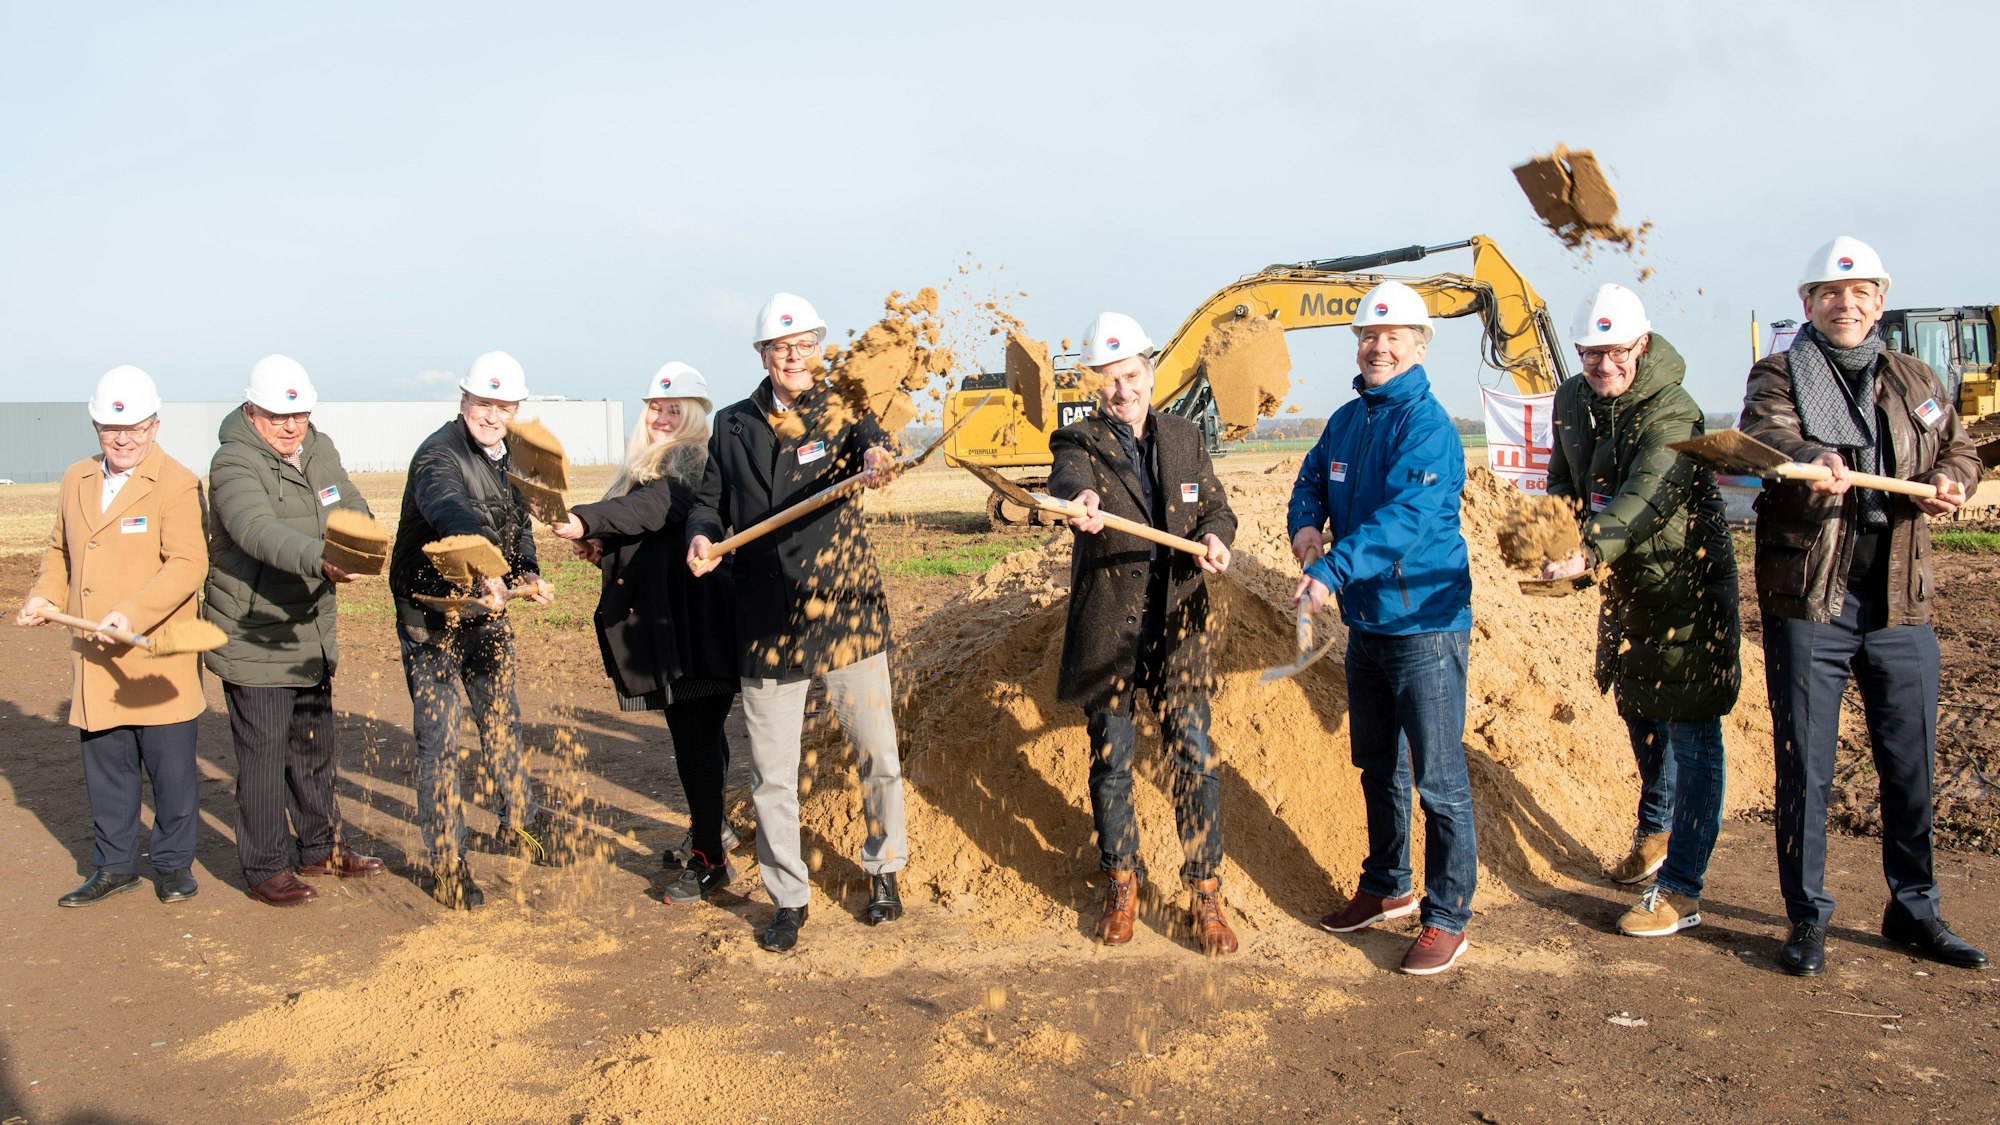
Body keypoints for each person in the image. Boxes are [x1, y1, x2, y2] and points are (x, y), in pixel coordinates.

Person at [1740, 236, 1986, 976]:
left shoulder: (1915, 376)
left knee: (1908, 764)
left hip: (1899, 602)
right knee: (1807, 766)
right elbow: (1763, 432)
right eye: (1830, 295)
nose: (1845, 305)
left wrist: (1955, 481)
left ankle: (1915, 909)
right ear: (1807, 303)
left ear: (1879, 301)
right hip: (1815, 597)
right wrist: (1813, 458)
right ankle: (1807, 915)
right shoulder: (1779, 372)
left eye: (1859, 294)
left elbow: (1961, 448)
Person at [686, 293, 907, 954]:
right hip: (766, 618)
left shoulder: (846, 403)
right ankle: (788, 895)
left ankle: (885, 870)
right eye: (780, 346)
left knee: (877, 752)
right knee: (772, 771)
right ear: (762, 355)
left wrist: (878, 463)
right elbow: (707, 502)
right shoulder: (731, 425)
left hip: (844, 609)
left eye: (804, 342)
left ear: (818, 346)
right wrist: (701, 537)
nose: (793, 354)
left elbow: (878, 446)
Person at [1288, 280, 1478, 976]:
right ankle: (1386, 883)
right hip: (1368, 624)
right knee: (1376, 764)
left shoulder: (1426, 427)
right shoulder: (1347, 420)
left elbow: (1406, 521)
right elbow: (1310, 480)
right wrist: (1306, 525)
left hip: (1426, 623)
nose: (1379, 346)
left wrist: (1333, 569)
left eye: (1393, 336)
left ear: (1419, 345)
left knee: (1439, 778)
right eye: (1370, 335)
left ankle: (1448, 914)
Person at [1541, 285, 1740, 938]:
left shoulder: (1674, 412)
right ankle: (1655, 832)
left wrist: (1589, 549)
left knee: (1691, 725)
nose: (1602, 366)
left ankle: (1682, 888)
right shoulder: (1572, 399)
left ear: (1642, 346)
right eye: (1590, 353)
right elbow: (1565, 483)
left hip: (1687, 583)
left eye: (1615, 352)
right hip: (1626, 585)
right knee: (1638, 707)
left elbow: (1648, 493)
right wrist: (1553, 540)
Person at [1048, 311, 1239, 955]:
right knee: (1113, 763)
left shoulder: (1185, 436)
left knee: (1193, 757)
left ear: (1149, 372)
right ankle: (1122, 882)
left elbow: (1215, 505)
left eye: (1130, 375)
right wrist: (1083, 504)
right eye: (1108, 381)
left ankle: (1205, 891)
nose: (1122, 390)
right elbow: (1068, 480)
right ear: (1094, 388)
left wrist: (1216, 534)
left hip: (1179, 622)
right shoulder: (1079, 441)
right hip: (1112, 627)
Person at [16, 366, 208, 907]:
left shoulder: (177, 482)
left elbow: (189, 565)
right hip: (96, 657)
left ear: (155, 424)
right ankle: (114, 866)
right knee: (108, 770)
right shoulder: (76, 478)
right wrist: (45, 596)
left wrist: (132, 614)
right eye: (110, 428)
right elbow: (60, 552)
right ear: (95, 425)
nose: (123, 439)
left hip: (153, 654)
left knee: (172, 774)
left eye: (136, 428)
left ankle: (173, 866)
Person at [553, 362, 741, 905]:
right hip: (674, 626)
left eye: (674, 409)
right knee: (700, 734)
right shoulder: (648, 462)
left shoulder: (692, 459)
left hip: (694, 629)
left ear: (696, 414)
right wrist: (604, 547)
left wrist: (585, 520)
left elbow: (658, 507)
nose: (662, 416)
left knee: (695, 739)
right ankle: (713, 830)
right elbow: (651, 536)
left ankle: (710, 859)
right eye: (656, 407)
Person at [203, 355, 388, 908]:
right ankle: (264, 865)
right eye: (278, 416)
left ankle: (319, 846)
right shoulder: (233, 463)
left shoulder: (318, 447)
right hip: (257, 631)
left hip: (309, 628)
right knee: (263, 755)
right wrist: (324, 558)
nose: (291, 427)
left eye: (300, 415)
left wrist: (365, 536)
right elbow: (256, 531)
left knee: (313, 747)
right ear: (251, 410)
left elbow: (345, 501)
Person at [388, 350, 556, 909]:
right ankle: (447, 861)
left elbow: (518, 525)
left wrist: (525, 570)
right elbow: (448, 508)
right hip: (431, 617)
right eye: (483, 403)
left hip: (487, 612)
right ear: (464, 401)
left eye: (503, 405)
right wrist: (482, 562)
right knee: (439, 741)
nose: (492, 414)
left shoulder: (514, 456)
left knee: (502, 723)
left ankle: (519, 823)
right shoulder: (437, 455)